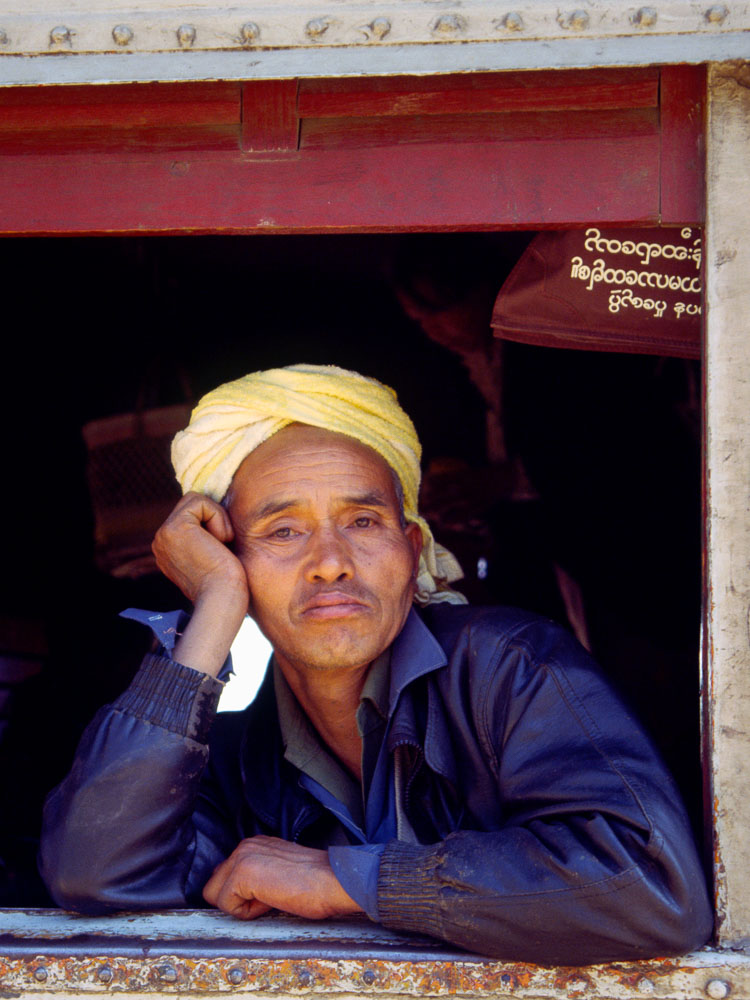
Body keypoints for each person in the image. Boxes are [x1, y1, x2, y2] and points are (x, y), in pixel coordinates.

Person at [40, 364, 712, 965]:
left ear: (413, 548)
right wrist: (214, 610)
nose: (330, 560)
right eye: (283, 531)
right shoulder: (244, 761)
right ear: (233, 562)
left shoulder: (508, 668)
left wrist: (343, 880)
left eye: (363, 522)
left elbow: (648, 886)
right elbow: (93, 874)